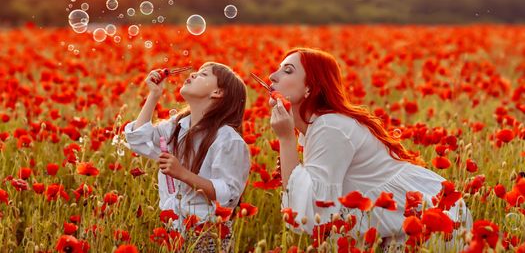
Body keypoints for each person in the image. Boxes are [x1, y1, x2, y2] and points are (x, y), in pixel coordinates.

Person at [268, 48, 472, 251]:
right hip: (402, 227)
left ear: (310, 88)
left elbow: (314, 215)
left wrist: (286, 140)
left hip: (428, 227)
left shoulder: (329, 126)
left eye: (287, 70)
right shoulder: (319, 127)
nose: (272, 77)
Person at [124, 62, 250, 252]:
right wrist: (154, 95)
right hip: (174, 229)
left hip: (207, 234)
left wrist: (182, 174)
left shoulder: (228, 139)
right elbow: (139, 140)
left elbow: (228, 195)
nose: (192, 75)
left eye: (203, 74)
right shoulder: (177, 126)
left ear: (218, 92)